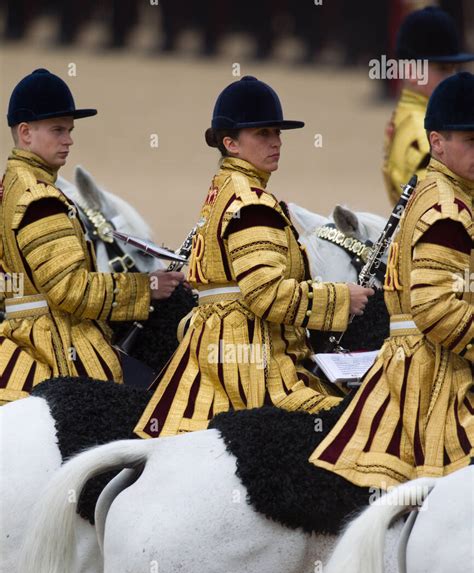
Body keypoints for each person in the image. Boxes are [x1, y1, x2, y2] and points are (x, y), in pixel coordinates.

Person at [134, 76, 373, 438]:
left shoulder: (224, 191)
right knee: (352, 427)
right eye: (262, 134)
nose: (276, 142)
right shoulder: (253, 204)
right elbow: (266, 294)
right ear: (230, 143)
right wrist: (342, 298)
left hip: (213, 355)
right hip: (251, 363)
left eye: (277, 133)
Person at [311, 71, 474, 488]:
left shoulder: (436, 191)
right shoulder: (447, 207)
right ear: (437, 142)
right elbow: (436, 308)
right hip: (436, 374)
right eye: (471, 141)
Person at [0, 68, 184, 404]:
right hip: (61, 347)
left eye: (69, 130)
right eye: (58, 130)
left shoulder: (7, 189)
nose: (68, 140)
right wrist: (148, 288)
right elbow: (69, 289)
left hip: (19, 341)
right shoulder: (40, 198)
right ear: (25, 133)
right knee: (157, 406)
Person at [382, 6, 474, 205]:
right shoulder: (422, 129)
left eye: (454, 69)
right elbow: (438, 202)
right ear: (412, 71)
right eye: (442, 69)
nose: (453, 78)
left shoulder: (407, 115)